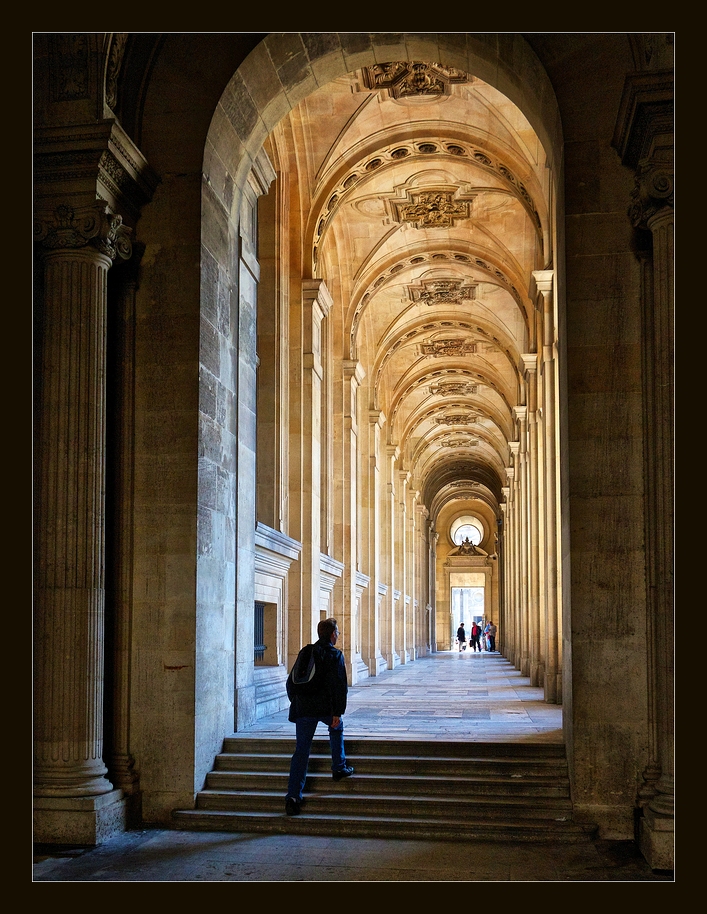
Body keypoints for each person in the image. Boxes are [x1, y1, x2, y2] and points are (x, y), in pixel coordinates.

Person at [284, 617, 354, 816]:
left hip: (303, 709)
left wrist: (297, 702)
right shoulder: (335, 655)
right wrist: (337, 712)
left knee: (301, 751)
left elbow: (291, 682)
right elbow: (340, 687)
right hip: (324, 708)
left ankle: (293, 797)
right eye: (337, 632)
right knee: (336, 728)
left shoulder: (306, 651)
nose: (338, 635)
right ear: (332, 634)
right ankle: (339, 767)